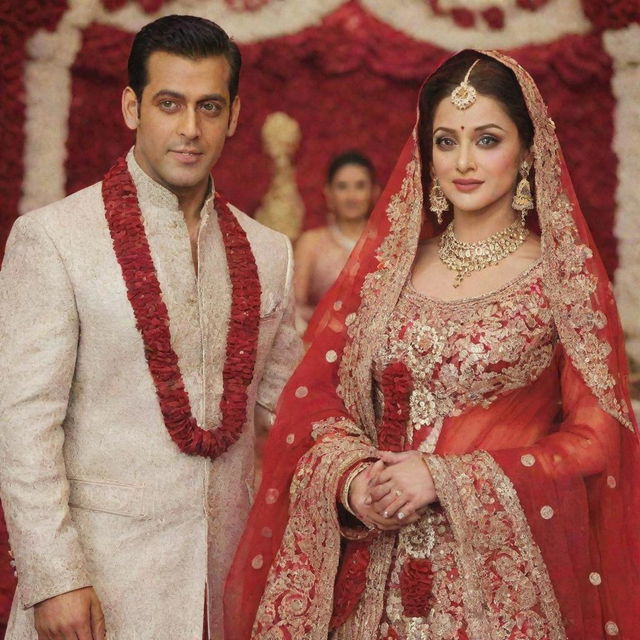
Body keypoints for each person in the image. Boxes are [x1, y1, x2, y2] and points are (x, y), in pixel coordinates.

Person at [224, 50, 640, 639]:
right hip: (369, 579)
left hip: (499, 596)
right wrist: (350, 478)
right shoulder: (387, 274)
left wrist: (445, 478)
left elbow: (597, 442)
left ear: (527, 152)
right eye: (446, 141)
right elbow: (316, 401)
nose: (463, 162)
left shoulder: (562, 280)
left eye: (487, 139)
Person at [0, 14, 301, 640]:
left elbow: (299, 405)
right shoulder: (55, 239)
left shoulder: (268, 251)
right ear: (132, 107)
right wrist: (55, 579)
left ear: (235, 115)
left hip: (225, 589)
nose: (190, 129)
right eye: (170, 104)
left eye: (209, 107)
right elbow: (24, 425)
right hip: (100, 587)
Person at [293, 151, 379, 329]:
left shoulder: (388, 243)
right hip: (320, 346)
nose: (351, 196)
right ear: (328, 192)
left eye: (360, 186)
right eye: (342, 186)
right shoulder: (311, 243)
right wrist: (333, 324)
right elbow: (294, 307)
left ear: (374, 192)